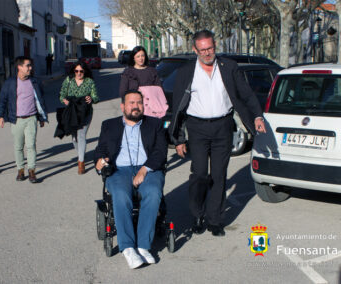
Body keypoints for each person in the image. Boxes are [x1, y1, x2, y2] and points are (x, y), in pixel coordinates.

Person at [169, 30, 266, 237]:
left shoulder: (228, 67)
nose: (207, 53)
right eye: (202, 49)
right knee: (200, 174)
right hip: (197, 128)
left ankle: (215, 220)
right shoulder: (187, 71)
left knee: (219, 175)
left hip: (223, 126)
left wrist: (257, 116)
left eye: (210, 48)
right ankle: (197, 214)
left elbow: (246, 94)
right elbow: (177, 106)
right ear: (195, 49)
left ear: (215, 46)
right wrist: (178, 139)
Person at [95, 90, 167, 269]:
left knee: (153, 192)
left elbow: (160, 152)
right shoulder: (109, 125)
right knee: (120, 194)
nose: (136, 106)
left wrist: (144, 170)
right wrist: (99, 160)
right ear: (122, 106)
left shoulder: (155, 124)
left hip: (148, 167)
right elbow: (100, 149)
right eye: (131, 103)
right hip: (120, 170)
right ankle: (127, 248)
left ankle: (143, 246)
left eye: (139, 103)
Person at [0, 56, 48, 183]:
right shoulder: (10, 83)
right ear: (19, 67)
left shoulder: (34, 82)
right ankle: (20, 170)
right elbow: (2, 100)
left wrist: (41, 117)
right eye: (27, 65)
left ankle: (31, 171)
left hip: (31, 119)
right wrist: (1, 116)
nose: (30, 68)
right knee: (18, 146)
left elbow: (40, 100)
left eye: (30, 65)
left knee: (31, 145)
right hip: (17, 120)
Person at [59, 61, 99, 174]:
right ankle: (80, 154)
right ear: (73, 71)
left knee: (81, 135)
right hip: (72, 111)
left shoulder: (89, 82)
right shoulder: (69, 80)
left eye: (81, 71)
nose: (79, 73)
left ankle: (81, 163)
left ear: (85, 71)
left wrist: (91, 99)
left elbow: (96, 97)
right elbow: (61, 94)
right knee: (74, 138)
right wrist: (64, 100)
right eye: (76, 71)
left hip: (85, 112)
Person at [119, 47, 167, 118]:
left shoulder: (152, 71)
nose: (141, 58)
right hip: (134, 108)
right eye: (138, 56)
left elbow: (159, 89)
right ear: (133, 58)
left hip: (151, 108)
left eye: (142, 56)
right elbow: (123, 92)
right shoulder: (128, 72)